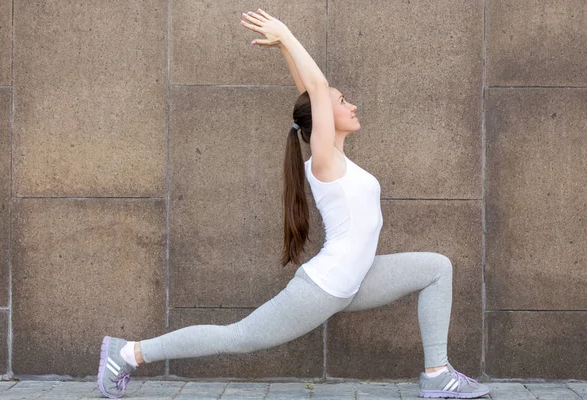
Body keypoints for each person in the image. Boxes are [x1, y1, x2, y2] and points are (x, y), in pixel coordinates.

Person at [97, 8, 490, 399]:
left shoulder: (336, 157)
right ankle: (129, 353)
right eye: (343, 101)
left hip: (356, 280)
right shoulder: (324, 161)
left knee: (437, 268)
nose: (351, 105)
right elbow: (317, 90)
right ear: (322, 120)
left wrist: (285, 48)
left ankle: (437, 375)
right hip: (325, 286)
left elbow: (311, 90)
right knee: (239, 337)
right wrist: (286, 32)